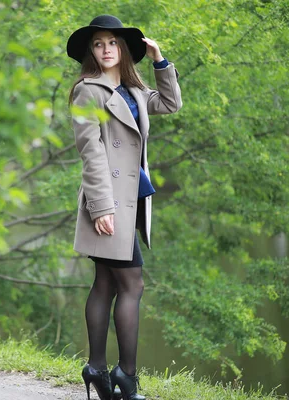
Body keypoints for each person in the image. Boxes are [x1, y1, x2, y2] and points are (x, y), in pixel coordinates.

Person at [66, 15, 182, 400]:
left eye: (112, 43)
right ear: (91, 52)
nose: (105, 50)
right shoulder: (89, 91)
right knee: (132, 283)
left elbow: (170, 102)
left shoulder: (133, 91)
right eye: (98, 44)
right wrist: (101, 207)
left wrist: (159, 60)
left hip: (128, 203)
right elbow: (91, 151)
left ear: (124, 49)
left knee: (105, 283)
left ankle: (97, 369)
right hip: (107, 203)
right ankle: (125, 377)